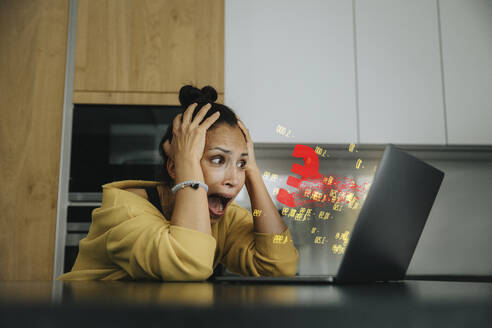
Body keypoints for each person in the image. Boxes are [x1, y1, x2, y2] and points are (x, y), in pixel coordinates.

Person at [57, 85, 299, 281]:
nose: (234, 180)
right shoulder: (123, 210)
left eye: (240, 165)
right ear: (176, 167)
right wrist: (187, 164)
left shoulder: (223, 218)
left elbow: (279, 266)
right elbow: (189, 263)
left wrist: (253, 172)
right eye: (217, 159)